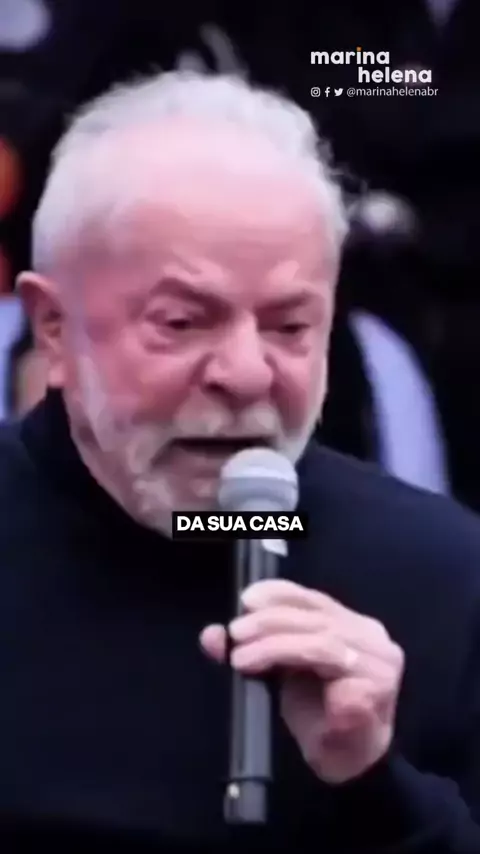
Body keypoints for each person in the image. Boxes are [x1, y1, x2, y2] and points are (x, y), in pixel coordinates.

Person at [2, 71, 480, 852]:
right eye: (183, 322)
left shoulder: (443, 575)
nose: (248, 374)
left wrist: (373, 784)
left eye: (290, 327)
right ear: (54, 328)